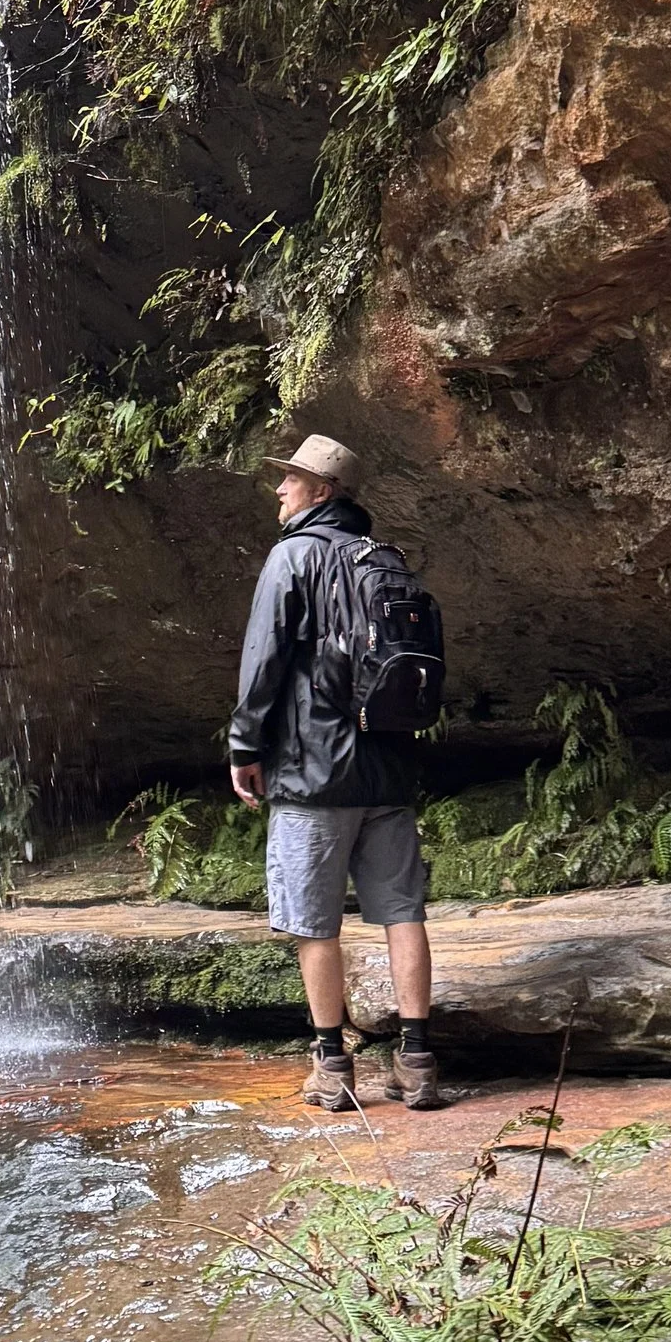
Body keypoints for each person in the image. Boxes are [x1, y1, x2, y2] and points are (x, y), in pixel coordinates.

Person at [228, 431, 444, 1114]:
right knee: (402, 912)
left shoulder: (293, 556)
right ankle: (417, 1060)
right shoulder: (384, 558)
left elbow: (263, 662)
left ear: (323, 491)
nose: (281, 488)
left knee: (313, 922)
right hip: (387, 769)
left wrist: (244, 746)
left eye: (292, 478)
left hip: (314, 774)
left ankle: (331, 1064)